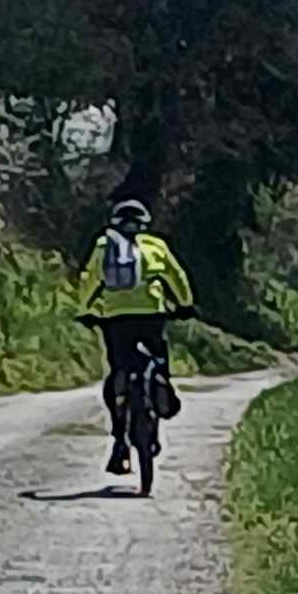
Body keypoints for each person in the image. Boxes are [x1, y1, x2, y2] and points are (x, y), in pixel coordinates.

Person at [72, 197, 195, 472]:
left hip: (116, 318)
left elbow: (90, 279)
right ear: (144, 223)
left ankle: (120, 439)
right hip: (152, 315)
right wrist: (185, 304)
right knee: (158, 360)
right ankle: (162, 389)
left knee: (119, 369)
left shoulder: (104, 245)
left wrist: (85, 309)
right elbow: (176, 276)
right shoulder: (156, 245)